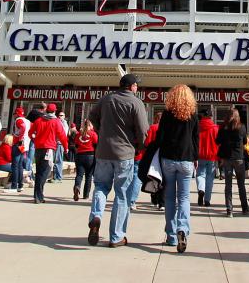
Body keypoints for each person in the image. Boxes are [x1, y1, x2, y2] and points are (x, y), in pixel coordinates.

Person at [86, 74, 148, 248]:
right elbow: (143, 130)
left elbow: (92, 116)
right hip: (125, 153)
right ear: (132, 86)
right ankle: (116, 236)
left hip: (103, 151)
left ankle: (96, 216)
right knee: (121, 194)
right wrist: (141, 147)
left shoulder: (106, 99)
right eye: (136, 85)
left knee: (100, 186)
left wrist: (101, 132)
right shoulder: (136, 103)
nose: (137, 88)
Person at [156, 85, 198, 252]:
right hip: (187, 159)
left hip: (168, 158)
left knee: (170, 198)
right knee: (184, 198)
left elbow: (160, 137)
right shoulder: (193, 114)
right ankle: (183, 228)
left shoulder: (167, 114)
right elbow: (196, 138)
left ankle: (172, 235)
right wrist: (195, 157)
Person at [216, 108, 249, 217]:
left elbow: (217, 141)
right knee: (241, 184)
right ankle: (244, 207)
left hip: (227, 158)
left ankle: (229, 209)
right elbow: (245, 141)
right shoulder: (242, 127)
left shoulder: (223, 127)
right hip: (239, 158)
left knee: (228, 185)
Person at [30, 103, 67, 204]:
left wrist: (35, 140)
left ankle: (37, 195)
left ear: (46, 111)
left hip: (38, 148)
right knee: (45, 172)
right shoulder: (56, 122)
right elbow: (62, 135)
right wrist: (66, 147)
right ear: (55, 111)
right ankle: (38, 196)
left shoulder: (38, 121)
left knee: (39, 172)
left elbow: (31, 133)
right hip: (49, 149)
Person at [196, 109, 219, 207]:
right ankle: (207, 200)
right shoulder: (215, 128)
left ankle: (201, 189)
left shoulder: (197, 127)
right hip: (212, 156)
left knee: (200, 175)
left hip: (200, 155)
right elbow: (218, 143)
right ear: (211, 116)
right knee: (210, 178)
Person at [6, 107, 31, 193]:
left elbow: (23, 128)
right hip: (25, 145)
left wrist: (19, 138)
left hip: (19, 144)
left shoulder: (19, 120)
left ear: (17, 113)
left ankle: (14, 186)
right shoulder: (27, 121)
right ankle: (20, 185)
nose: (13, 115)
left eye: (14, 114)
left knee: (15, 165)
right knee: (20, 165)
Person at [74, 119, 98, 201]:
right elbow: (96, 144)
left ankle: (77, 186)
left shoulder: (78, 134)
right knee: (88, 176)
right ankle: (86, 195)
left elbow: (76, 145)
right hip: (90, 156)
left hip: (80, 155)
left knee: (79, 175)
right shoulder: (93, 134)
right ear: (90, 125)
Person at [26, 102, 46, 182]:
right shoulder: (42, 116)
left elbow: (27, 121)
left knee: (29, 157)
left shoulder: (32, 112)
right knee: (35, 157)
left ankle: (28, 173)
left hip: (30, 135)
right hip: (38, 137)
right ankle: (30, 175)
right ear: (44, 109)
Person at [52, 110, 68, 181]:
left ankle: (58, 177)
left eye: (61, 115)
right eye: (59, 115)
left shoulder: (64, 124)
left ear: (64, 117)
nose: (59, 116)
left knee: (58, 160)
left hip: (60, 143)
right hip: (56, 143)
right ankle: (55, 176)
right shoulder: (58, 122)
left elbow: (62, 134)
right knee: (55, 160)